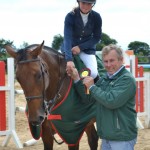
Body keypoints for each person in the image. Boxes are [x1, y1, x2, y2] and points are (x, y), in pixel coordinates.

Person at [67, 44, 138, 150]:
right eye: (105, 61)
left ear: (121, 60)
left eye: (112, 60)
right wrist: (77, 79)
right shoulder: (105, 78)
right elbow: (89, 99)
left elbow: (111, 101)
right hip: (106, 137)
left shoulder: (126, 79)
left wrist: (92, 87)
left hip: (122, 138)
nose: (108, 65)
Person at [61, 0, 102, 82]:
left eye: (89, 4)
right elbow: (67, 38)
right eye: (83, 3)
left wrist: (80, 47)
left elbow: (96, 37)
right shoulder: (70, 16)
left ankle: (78, 81)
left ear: (93, 4)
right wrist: (69, 59)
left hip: (87, 49)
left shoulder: (96, 17)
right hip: (69, 47)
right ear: (79, 2)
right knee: (59, 70)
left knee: (93, 73)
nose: (86, 6)